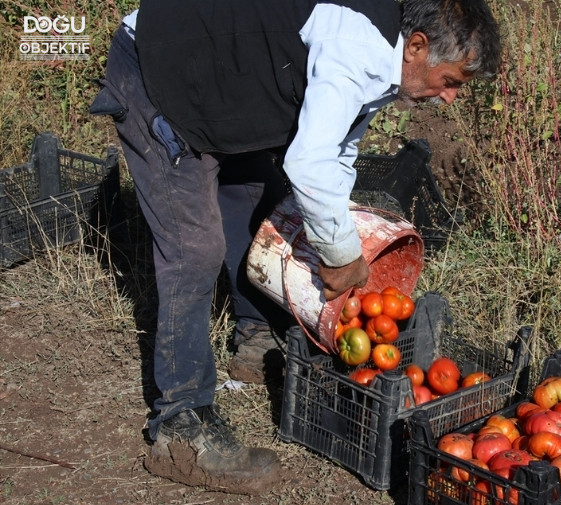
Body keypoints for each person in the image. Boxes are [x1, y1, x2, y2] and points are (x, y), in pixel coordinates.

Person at [90, 0, 500, 494]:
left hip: (222, 80)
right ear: (417, 47)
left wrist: (340, 233)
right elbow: (309, 165)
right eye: (452, 80)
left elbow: (338, 151)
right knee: (193, 247)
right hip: (160, 69)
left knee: (251, 194)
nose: (451, 97)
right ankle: (180, 425)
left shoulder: (382, 52)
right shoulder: (358, 47)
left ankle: (256, 335)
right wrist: (343, 256)